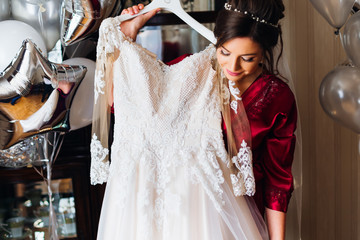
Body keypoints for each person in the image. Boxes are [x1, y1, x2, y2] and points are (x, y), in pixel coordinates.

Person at [91, 0, 297, 239]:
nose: (233, 66)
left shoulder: (277, 97)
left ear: (264, 51)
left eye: (248, 58)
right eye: (225, 52)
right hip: (175, 208)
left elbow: (278, 181)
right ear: (216, 40)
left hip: (232, 214)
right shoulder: (193, 73)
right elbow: (128, 107)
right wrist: (128, 37)